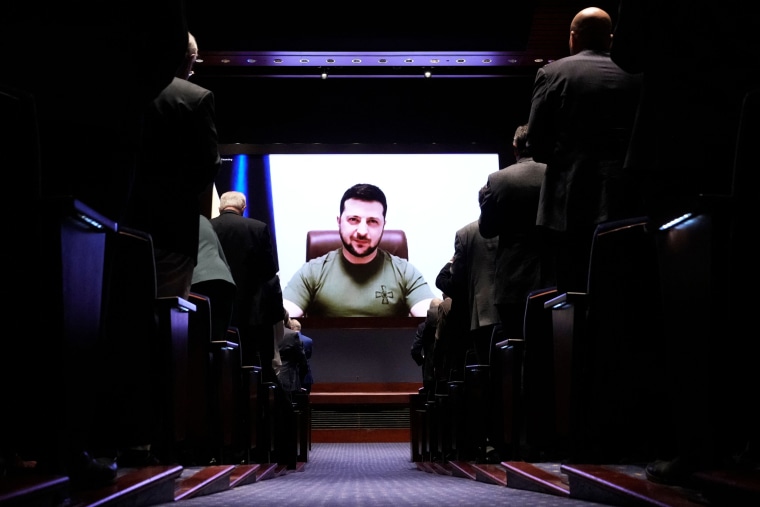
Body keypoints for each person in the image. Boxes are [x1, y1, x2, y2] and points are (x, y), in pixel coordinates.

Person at [610, 0, 759, 486]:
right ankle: (743, 437)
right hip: (739, 124)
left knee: (682, 306)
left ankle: (695, 443)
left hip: (675, 141)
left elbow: (630, 53)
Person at [527, 6, 642, 294]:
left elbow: (536, 144)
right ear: (611, 38)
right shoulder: (637, 77)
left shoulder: (553, 73)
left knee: (572, 295)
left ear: (572, 38)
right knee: (622, 290)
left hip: (568, 206)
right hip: (627, 200)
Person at [125, 32, 222, 300]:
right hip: (172, 231)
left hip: (119, 223)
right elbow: (208, 166)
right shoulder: (195, 97)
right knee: (168, 320)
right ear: (190, 59)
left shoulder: (120, 89)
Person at [282, 183, 435, 318]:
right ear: (339, 222)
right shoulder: (312, 272)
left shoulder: (405, 272)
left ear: (383, 225)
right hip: (327, 350)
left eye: (372, 221)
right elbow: (279, 315)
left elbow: (433, 315)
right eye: (353, 220)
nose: (362, 231)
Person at [478, 124, 550, 341]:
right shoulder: (554, 173)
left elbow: (487, 230)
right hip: (552, 275)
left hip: (512, 282)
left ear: (514, 147)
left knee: (518, 349)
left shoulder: (497, 180)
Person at [211, 191, 285, 384]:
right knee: (249, 367)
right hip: (250, 311)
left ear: (220, 207)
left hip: (215, 309)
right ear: (243, 208)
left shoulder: (208, 228)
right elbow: (270, 271)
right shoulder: (258, 228)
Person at [190, 214, 237, 343]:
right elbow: (223, 259)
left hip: (198, 281)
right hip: (225, 282)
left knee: (196, 340)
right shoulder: (204, 220)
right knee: (218, 340)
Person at [410, 298, 443, 396]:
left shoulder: (422, 327)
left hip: (429, 373)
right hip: (446, 372)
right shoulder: (449, 326)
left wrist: (422, 361)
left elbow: (415, 351)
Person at [288, 319, 314, 393]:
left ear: (291, 327)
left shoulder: (287, 339)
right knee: (305, 400)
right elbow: (309, 356)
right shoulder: (309, 340)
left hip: (291, 376)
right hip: (306, 376)